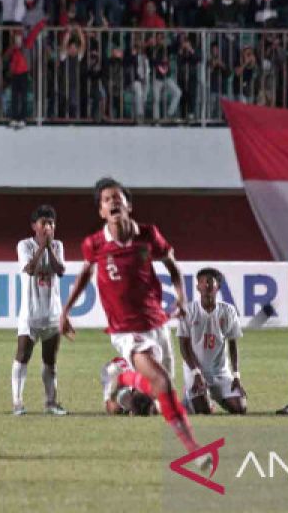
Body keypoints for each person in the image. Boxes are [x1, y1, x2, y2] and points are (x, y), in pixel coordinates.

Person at [60, 177, 201, 454]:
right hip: (126, 329)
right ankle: (193, 449)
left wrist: (181, 297)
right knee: (161, 381)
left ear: (128, 205)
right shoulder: (96, 244)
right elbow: (85, 274)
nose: (112, 202)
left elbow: (173, 267)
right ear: (101, 211)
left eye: (117, 198)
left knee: (155, 400)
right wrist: (65, 311)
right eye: (106, 200)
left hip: (156, 324)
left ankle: (119, 378)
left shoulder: (148, 235)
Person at [11, 205, 67, 415]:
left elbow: (60, 271)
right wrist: (42, 247)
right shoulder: (24, 245)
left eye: (51, 223)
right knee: (22, 356)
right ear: (34, 226)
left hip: (52, 314)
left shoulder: (58, 246)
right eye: (44, 223)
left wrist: (49, 247)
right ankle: (17, 402)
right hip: (30, 315)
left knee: (50, 360)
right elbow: (30, 270)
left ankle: (51, 403)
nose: (48, 227)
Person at [178, 268, 247, 414]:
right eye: (202, 282)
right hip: (195, 371)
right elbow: (184, 345)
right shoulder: (188, 311)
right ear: (197, 287)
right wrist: (196, 373)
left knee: (240, 408)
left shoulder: (228, 311)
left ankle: (214, 394)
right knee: (204, 412)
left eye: (210, 281)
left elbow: (232, 344)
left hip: (220, 372)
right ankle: (189, 398)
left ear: (218, 286)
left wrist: (236, 375)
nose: (206, 285)